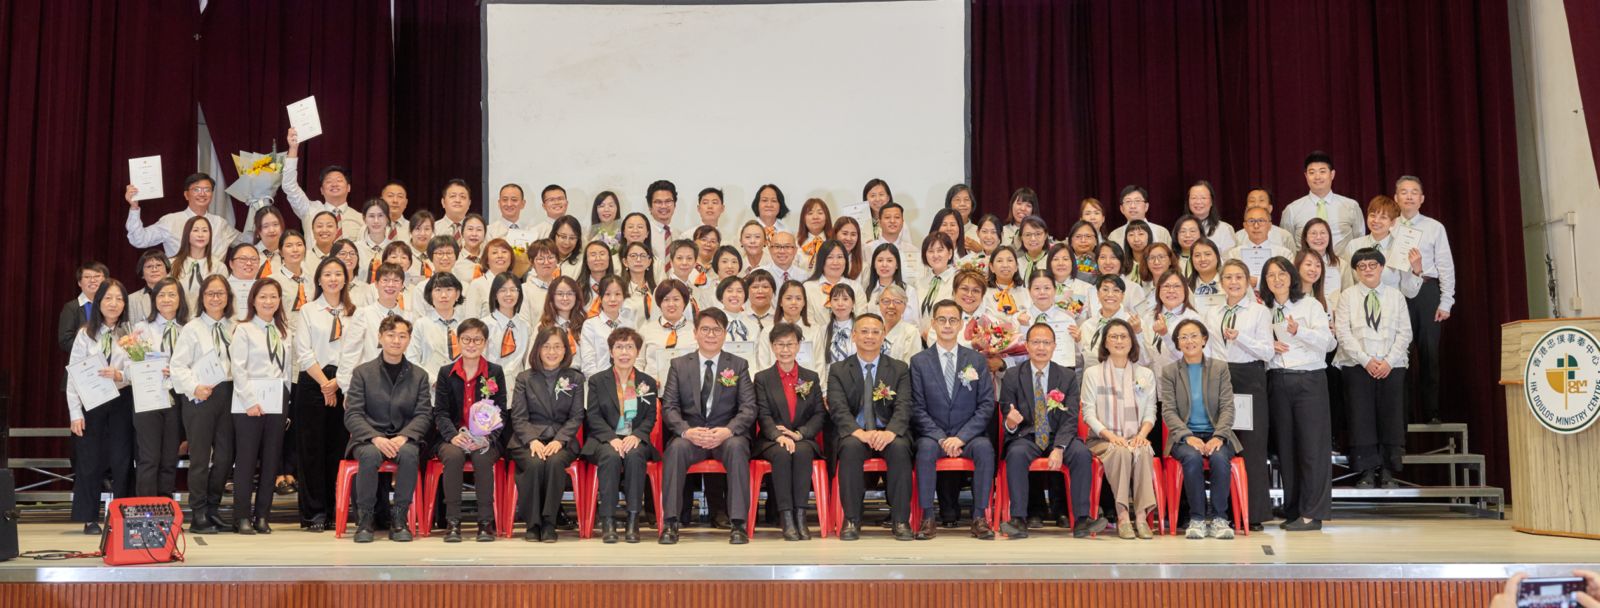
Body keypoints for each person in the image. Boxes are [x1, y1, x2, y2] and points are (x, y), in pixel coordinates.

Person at [658, 309, 758, 545]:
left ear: (725, 334)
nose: (711, 335)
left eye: (716, 330)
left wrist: (728, 430)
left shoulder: (739, 365)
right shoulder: (679, 365)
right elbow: (669, 407)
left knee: (737, 448)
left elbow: (748, 408)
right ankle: (670, 523)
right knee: (676, 449)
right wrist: (687, 431)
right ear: (695, 333)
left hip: (726, 436)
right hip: (692, 436)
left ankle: (738, 524)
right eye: (705, 329)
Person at [997, 322, 1106, 539]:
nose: (1041, 347)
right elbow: (1006, 411)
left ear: (1054, 346)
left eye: (1046, 343)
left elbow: (1071, 417)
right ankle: (1018, 519)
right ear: (1027, 346)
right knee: (1016, 454)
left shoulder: (1066, 376)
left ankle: (1082, 520)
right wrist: (1011, 423)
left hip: (1059, 435)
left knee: (1082, 454)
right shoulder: (1012, 375)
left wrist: (1060, 447)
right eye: (1036, 342)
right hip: (1027, 436)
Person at [1260, 256, 1336, 531]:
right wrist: (1269, 346)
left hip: (1308, 380)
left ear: (1292, 276)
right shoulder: (1264, 310)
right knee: (1287, 449)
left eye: (1281, 273)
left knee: (1312, 448)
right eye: (1270, 275)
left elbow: (1329, 343)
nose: (1277, 279)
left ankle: (1312, 513)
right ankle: (1293, 509)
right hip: (1277, 380)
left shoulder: (1310, 304)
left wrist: (1299, 331)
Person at [910, 300, 997, 540]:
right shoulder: (919, 362)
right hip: (933, 436)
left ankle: (979, 517)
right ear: (933, 324)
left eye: (952, 320)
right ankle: (927, 518)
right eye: (942, 320)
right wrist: (941, 438)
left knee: (985, 449)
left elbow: (986, 404)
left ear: (960, 324)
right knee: (925, 450)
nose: (947, 325)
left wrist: (961, 437)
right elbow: (917, 408)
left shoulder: (976, 360)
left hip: (968, 436)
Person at [343, 315, 433, 543]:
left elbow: (424, 414)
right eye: (391, 335)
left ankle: (399, 518)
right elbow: (353, 414)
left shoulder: (419, 375)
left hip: (404, 438)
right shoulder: (362, 373)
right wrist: (375, 437)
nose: (396, 341)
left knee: (410, 454)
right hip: (369, 439)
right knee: (370, 456)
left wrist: (405, 436)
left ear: (409, 340)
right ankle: (365, 520)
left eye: (402, 336)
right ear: (380, 337)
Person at [827, 313, 914, 541]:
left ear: (883, 336)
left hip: (888, 432)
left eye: (876, 332)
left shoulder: (899, 368)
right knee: (850, 448)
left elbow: (904, 406)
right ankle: (852, 520)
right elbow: (838, 408)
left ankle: (900, 520)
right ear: (854, 335)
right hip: (855, 433)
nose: (870, 336)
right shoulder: (838, 369)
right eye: (864, 331)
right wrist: (860, 433)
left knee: (900, 448)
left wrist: (890, 432)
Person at [1202, 260, 1274, 530]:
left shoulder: (1259, 312)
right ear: (1221, 282)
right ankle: (1223, 512)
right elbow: (1208, 349)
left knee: (1251, 447)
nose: (1233, 282)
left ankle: (1252, 514)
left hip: (1250, 378)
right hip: (1220, 377)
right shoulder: (1212, 312)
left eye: (1239, 277)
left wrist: (1240, 337)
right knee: (1222, 443)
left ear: (1247, 281)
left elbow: (1267, 351)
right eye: (1228, 278)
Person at [1335, 248, 1414, 489]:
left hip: (1392, 365)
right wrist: (1365, 360)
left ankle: (1388, 470)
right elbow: (1343, 333)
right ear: (1356, 271)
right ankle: (1366, 471)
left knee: (1391, 415)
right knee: (1361, 417)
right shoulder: (1347, 296)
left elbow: (1405, 332)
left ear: (1381, 267)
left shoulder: (1395, 296)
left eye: (1372, 265)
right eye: (1362, 266)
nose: (1367, 270)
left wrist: (1388, 361)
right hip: (1357, 365)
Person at [287, 256, 355, 532]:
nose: (333, 279)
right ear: (318, 279)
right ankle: (313, 513)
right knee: (311, 450)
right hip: (313, 382)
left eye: (338, 274)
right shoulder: (308, 310)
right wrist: (325, 383)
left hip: (343, 383)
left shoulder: (354, 312)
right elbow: (303, 352)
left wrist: (337, 383)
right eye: (327, 274)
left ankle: (334, 510)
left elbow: (355, 351)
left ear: (346, 279)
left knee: (336, 450)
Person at [64, 279, 135, 534]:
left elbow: (138, 370)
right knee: (89, 460)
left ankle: (121, 514)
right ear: (99, 302)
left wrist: (120, 375)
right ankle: (89, 517)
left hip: (121, 401)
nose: (113, 303)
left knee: (122, 459)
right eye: (108, 298)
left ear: (124, 303)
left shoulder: (131, 333)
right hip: (91, 402)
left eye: (119, 298)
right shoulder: (86, 334)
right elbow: (74, 375)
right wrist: (75, 413)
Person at [1160, 319, 1240, 540]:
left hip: (1216, 433)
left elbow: (1227, 407)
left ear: (1204, 339)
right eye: (1183, 337)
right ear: (1178, 343)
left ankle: (1219, 518)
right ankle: (1197, 518)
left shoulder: (1220, 368)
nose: (1189, 341)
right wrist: (1187, 436)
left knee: (1219, 458)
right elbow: (1168, 411)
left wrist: (1219, 436)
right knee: (1192, 458)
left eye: (1194, 336)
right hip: (1184, 437)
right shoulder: (1169, 372)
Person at [504, 326, 585, 542]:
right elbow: (518, 416)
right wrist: (532, 440)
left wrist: (559, 440)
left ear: (565, 350)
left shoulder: (575, 378)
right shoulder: (524, 378)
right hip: (528, 439)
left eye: (557, 347)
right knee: (535, 463)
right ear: (538, 349)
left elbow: (576, 416)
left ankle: (549, 522)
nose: (552, 352)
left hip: (562, 440)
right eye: (547, 346)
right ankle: (533, 524)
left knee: (555, 462)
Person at [1081, 318, 1159, 540]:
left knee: (1142, 450)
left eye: (1124, 336)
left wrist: (1142, 435)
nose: (1119, 341)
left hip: (1135, 436)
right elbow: (1088, 414)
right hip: (1102, 439)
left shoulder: (1145, 374)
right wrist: (1112, 436)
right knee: (1121, 451)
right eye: (1113, 337)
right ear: (1105, 343)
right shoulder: (1092, 373)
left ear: (1132, 341)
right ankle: (1123, 515)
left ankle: (1141, 517)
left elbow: (1150, 411)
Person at [431, 318, 508, 542]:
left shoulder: (495, 372)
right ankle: (453, 522)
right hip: (454, 437)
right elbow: (440, 412)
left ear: (485, 343)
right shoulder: (446, 372)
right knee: (453, 457)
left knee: (482, 458)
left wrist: (486, 439)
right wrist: (453, 436)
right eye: (466, 339)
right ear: (458, 341)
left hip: (485, 438)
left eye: (477, 340)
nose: (471, 344)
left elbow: (501, 411)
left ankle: (485, 523)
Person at [170, 274, 235, 534]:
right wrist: (194, 387)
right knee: (199, 457)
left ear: (228, 297)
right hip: (200, 396)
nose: (215, 298)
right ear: (202, 298)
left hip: (229, 394)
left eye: (220, 293)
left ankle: (213, 508)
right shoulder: (192, 328)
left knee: (225, 456)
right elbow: (177, 366)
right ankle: (197, 513)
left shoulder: (234, 326)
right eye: (210, 294)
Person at [582, 327, 659, 544]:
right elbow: (593, 416)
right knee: (611, 456)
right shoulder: (598, 381)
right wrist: (611, 438)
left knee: (635, 455)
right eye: (619, 347)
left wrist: (638, 435)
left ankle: (633, 520)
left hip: (635, 438)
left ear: (637, 352)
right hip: (605, 439)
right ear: (611, 351)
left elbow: (650, 417)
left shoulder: (647, 382)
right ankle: (608, 520)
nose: (624, 352)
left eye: (629, 347)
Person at [753, 322, 825, 541]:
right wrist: (779, 436)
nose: (785, 350)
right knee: (783, 454)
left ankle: (801, 515)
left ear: (798, 346)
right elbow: (763, 414)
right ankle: (786, 517)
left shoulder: (810, 377)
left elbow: (819, 414)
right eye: (780, 344)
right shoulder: (763, 378)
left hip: (802, 437)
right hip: (772, 440)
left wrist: (800, 434)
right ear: (772, 346)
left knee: (802, 452)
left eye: (790, 344)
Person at [230, 279, 292, 535]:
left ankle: (263, 516)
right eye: (263, 296)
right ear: (253, 300)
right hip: (249, 403)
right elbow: (238, 368)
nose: (268, 301)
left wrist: (286, 400)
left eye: (273, 297)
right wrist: (249, 401)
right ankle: (242, 516)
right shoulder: (244, 329)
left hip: (276, 400)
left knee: (271, 461)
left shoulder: (283, 331)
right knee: (246, 461)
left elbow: (287, 369)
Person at [1393, 176, 1454, 424]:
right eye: (1403, 192)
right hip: (1398, 294)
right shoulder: (1390, 226)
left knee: (1429, 353)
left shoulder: (1434, 227)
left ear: (1422, 199)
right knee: (1400, 353)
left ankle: (1431, 412)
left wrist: (1446, 301)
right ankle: (1403, 415)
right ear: (1396, 198)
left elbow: (1445, 265)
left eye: (1414, 192)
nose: (1409, 196)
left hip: (1427, 291)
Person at [129, 277, 186, 501]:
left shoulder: (189, 328)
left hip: (177, 397)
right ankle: (146, 507)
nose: (166, 299)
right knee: (149, 457)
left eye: (172, 294)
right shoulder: (142, 328)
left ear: (180, 299)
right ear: (154, 299)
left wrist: (177, 371)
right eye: (161, 295)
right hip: (149, 398)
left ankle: (164, 504)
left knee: (169, 457)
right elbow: (130, 366)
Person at [125, 172, 242, 257]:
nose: (202, 194)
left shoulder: (220, 223)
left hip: (215, 283)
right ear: (186, 195)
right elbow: (139, 240)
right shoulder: (171, 221)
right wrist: (134, 207)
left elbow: (245, 242)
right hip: (179, 282)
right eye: (196, 190)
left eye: (207, 190)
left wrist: (253, 207)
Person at [1282, 150, 1364, 251]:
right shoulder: (1292, 210)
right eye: (1312, 172)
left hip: (1342, 261)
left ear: (1332, 174)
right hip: (1305, 261)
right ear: (1306, 176)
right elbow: (1287, 247)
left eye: (1322, 171)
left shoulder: (1351, 206)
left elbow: (1359, 241)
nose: (1317, 177)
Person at [413, 273, 467, 384]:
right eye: (438, 290)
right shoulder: (421, 324)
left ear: (457, 294)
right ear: (430, 295)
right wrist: (434, 381)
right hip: (429, 388)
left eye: (449, 289)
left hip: (461, 386)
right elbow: (412, 358)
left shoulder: (466, 325)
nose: (443, 295)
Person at [579, 276, 635, 375]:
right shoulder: (590, 325)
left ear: (623, 297)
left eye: (617, 294)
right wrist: (599, 382)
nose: (613, 299)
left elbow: (636, 358)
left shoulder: (630, 325)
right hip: (599, 380)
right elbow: (588, 363)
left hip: (627, 380)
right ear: (600, 298)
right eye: (607, 294)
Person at [1227, 206, 1293, 285]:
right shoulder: (1234, 254)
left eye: (1261, 221)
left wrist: (1257, 282)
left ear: (1269, 225)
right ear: (1245, 226)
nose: (1256, 226)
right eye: (1251, 221)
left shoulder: (1284, 254)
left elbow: (1289, 280)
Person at [59, 262, 109, 353]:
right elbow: (65, 340)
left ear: (106, 280)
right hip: (83, 359)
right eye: (87, 277)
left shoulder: (114, 304)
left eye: (97, 276)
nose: (92, 280)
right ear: (79, 283)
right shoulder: (71, 307)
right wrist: (90, 351)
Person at [1107, 185, 1172, 245]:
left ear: (1146, 206)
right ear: (1122, 209)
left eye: (1137, 201)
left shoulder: (1161, 232)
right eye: (1128, 201)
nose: (1132, 206)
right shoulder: (1114, 236)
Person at [1187, 180, 1236, 254]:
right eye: (1194, 198)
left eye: (1203, 198)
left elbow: (1230, 258)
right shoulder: (1181, 228)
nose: (1198, 202)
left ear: (1211, 202)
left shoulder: (1224, 228)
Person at [878, 285, 923, 363]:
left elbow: (910, 365)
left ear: (904, 306)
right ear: (879, 304)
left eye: (897, 302)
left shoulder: (911, 333)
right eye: (886, 301)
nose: (891, 306)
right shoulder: (875, 331)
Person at [127, 250, 171, 324]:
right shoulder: (131, 299)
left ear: (166, 270)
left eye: (158, 265)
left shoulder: (179, 294)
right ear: (142, 273)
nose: (154, 270)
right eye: (149, 266)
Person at [646, 180, 683, 261]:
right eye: (658, 202)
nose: (663, 206)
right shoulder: (644, 234)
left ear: (674, 205)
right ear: (650, 207)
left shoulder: (681, 235)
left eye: (668, 201)